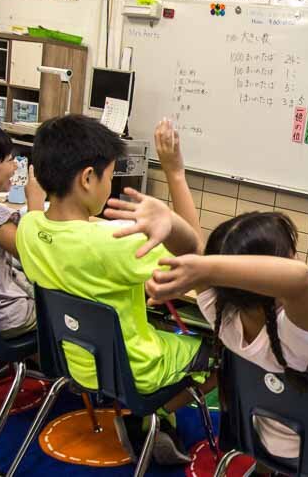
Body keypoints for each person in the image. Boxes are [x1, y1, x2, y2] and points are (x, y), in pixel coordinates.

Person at [135, 210, 308, 468]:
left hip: (259, 440)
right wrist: (208, 267)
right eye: (290, 256)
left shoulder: (223, 317)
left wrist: (171, 222)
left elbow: (191, 251)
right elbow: (300, 278)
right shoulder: (297, 334)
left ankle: (267, 469)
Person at [16, 115, 215, 465]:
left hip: (73, 362)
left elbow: (54, 223)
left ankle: (153, 423)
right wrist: (175, 173)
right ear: (88, 178)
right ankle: (147, 415)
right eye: (110, 175)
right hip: (134, 370)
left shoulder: (29, 228)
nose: (112, 183)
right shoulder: (115, 242)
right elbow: (195, 256)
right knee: (222, 354)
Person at [0, 124, 45, 337]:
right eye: (9, 160)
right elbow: (34, 255)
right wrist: (36, 201)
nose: (14, 168)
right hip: (6, 316)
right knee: (71, 308)